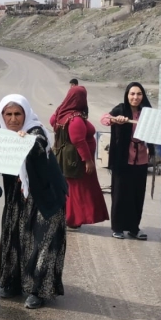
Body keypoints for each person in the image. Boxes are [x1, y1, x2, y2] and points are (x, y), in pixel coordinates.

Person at [0, 94, 68, 309]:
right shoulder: (3, 136)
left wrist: (26, 141)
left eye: (18, 114)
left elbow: (39, 144)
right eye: (8, 114)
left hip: (45, 197)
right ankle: (12, 283)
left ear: (26, 114)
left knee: (43, 243)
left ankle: (38, 290)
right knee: (15, 240)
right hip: (18, 198)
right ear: (2, 116)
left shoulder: (35, 130)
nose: (13, 119)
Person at [50, 85, 109, 229]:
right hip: (76, 161)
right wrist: (87, 160)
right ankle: (72, 219)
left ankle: (69, 218)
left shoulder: (60, 113)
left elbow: (52, 121)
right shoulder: (75, 118)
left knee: (69, 188)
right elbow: (78, 140)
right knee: (77, 191)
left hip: (64, 158)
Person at [101, 82, 154, 239]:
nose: (135, 97)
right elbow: (104, 119)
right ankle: (117, 227)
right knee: (120, 193)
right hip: (122, 159)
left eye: (138, 94)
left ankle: (134, 227)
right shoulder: (120, 109)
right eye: (132, 94)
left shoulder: (147, 113)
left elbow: (157, 129)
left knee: (137, 194)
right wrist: (114, 119)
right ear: (127, 95)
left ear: (143, 96)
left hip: (141, 159)